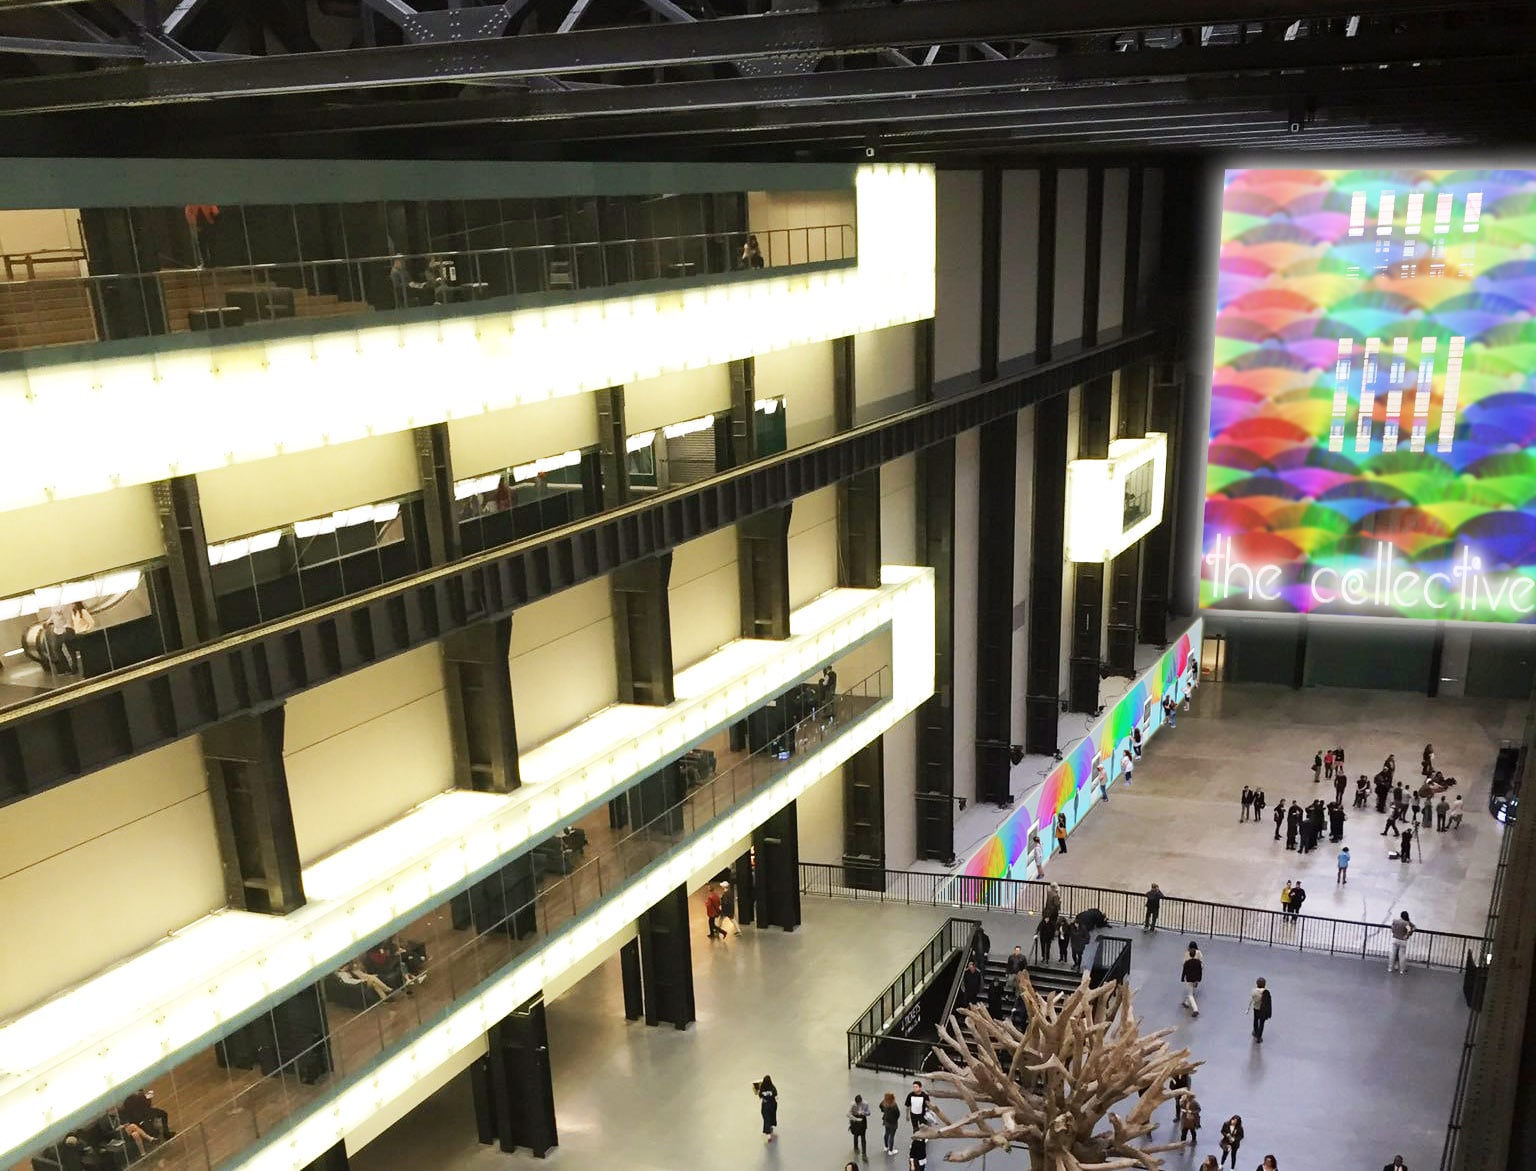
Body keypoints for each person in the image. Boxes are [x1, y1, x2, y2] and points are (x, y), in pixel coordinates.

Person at [1181, 941, 1203, 1015]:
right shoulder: (1199, 954)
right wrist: (1198, 979)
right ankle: (1186, 1003)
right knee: (1191, 990)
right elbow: (1201, 965)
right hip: (1196, 975)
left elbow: (1184, 965)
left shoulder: (1187, 954)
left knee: (1190, 994)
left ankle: (1195, 1009)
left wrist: (1183, 977)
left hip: (1189, 976)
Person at [1249, 977, 1272, 1042]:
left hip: (1256, 1009)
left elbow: (1252, 999)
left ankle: (1255, 1032)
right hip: (1263, 1010)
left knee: (1255, 1020)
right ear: (1264, 984)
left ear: (1257, 984)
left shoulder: (1254, 991)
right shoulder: (1266, 992)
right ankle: (1259, 1037)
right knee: (1261, 1023)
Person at [756, 1075, 779, 1141]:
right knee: (772, 1116)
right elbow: (776, 1096)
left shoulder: (762, 1088)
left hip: (765, 1106)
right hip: (772, 1105)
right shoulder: (772, 1087)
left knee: (766, 1119)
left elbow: (759, 1095)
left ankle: (768, 1135)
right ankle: (771, 1125)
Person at [848, 1094, 870, 1159]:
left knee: (863, 1137)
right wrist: (856, 1119)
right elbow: (848, 1114)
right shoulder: (853, 1104)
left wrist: (864, 1113)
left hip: (862, 1120)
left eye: (859, 1103)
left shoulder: (865, 1104)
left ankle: (864, 1154)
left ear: (861, 1101)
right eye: (857, 1103)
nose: (858, 1104)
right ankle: (856, 1147)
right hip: (855, 1121)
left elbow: (869, 1113)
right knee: (855, 1135)